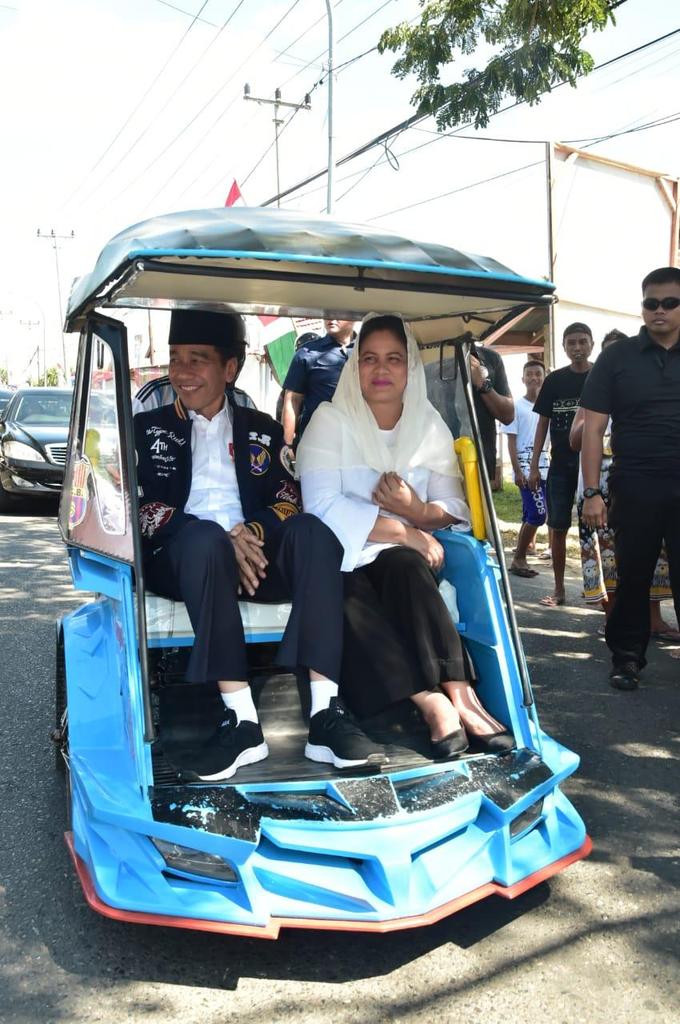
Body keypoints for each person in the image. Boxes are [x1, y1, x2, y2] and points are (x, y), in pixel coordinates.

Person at [134, 309, 384, 779]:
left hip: (254, 557)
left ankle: (325, 715)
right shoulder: (146, 433)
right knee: (206, 541)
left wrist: (252, 532)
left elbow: (289, 497)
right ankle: (242, 722)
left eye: (197, 359)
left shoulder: (262, 430)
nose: (181, 372)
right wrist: (218, 536)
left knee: (314, 534)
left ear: (230, 369)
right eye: (175, 359)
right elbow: (139, 507)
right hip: (183, 556)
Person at [297, 313, 514, 758]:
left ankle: (461, 694)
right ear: (355, 366)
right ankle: (429, 701)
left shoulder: (428, 424)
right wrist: (403, 530)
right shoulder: (329, 421)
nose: (381, 370)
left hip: (405, 557)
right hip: (341, 554)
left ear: (410, 367)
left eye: (394, 359)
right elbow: (320, 507)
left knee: (405, 567)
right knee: (349, 589)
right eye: (370, 358)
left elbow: (453, 508)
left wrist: (415, 512)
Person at [580, 267, 680, 690]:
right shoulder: (616, 359)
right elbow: (593, 429)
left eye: (669, 303)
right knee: (634, 575)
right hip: (635, 483)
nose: (659, 311)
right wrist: (591, 493)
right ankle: (626, 659)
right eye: (650, 303)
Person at [570, 331, 680, 639]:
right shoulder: (601, 384)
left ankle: (653, 619)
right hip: (617, 484)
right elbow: (578, 437)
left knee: (659, 562)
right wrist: (600, 423)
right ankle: (623, 640)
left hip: (663, 483)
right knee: (623, 565)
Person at [528, 323, 594, 607]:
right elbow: (542, 423)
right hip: (560, 467)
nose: (577, 348)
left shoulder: (600, 377)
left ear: (591, 344)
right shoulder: (554, 380)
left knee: (594, 529)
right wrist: (534, 465)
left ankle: (596, 591)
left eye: (582, 342)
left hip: (593, 467)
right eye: (571, 343)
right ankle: (558, 589)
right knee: (557, 527)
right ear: (564, 346)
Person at [501, 360, 548, 577]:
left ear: (544, 377)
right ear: (523, 379)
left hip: (546, 467)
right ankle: (519, 557)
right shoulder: (516, 407)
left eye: (538, 374)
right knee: (539, 515)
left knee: (530, 512)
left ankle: (520, 557)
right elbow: (511, 441)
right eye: (529, 374)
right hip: (526, 468)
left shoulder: (548, 406)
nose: (534, 378)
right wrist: (519, 471)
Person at [281, 318, 356, 445]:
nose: (331, 318)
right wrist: (285, 445)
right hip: (317, 443)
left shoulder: (368, 351)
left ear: (353, 316)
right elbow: (292, 400)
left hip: (359, 442)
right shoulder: (307, 353)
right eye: (328, 313)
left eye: (338, 312)